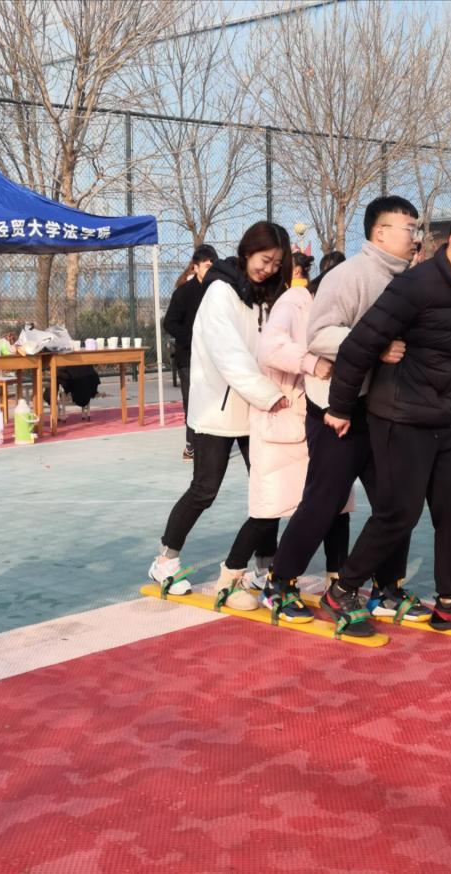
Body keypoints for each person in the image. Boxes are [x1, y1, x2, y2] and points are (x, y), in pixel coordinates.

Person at [322, 199, 451, 639]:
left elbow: (447, 346)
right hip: (401, 415)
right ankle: (343, 590)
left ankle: (449, 604)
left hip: (444, 414)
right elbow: (358, 345)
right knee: (399, 513)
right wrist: (339, 407)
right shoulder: (415, 285)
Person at [263, 196, 427, 634]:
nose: (415, 237)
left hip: (384, 409)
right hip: (339, 409)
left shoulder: (408, 280)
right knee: (325, 500)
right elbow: (320, 336)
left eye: (416, 229)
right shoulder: (350, 275)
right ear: (380, 232)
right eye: (409, 228)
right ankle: (280, 582)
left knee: (395, 503)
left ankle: (386, 589)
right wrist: (376, 345)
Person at [147, 223, 292, 596]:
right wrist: (268, 394)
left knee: (268, 489)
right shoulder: (220, 293)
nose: (269, 269)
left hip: (256, 408)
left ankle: (265, 565)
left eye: (276, 264)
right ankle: (165, 561)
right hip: (219, 408)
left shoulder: (267, 295)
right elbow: (229, 355)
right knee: (205, 489)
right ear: (247, 251)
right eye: (265, 260)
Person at [216, 260, 348, 620]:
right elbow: (271, 349)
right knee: (268, 510)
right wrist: (312, 363)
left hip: (320, 418)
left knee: (336, 505)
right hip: (282, 416)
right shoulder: (294, 303)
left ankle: (338, 581)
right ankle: (230, 579)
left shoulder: (335, 311)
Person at [162, 244, 218, 460]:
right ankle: (191, 444)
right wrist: (192, 338)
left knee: (213, 399)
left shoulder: (219, 291)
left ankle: (212, 443)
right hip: (188, 357)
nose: (210, 267)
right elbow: (169, 323)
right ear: (195, 267)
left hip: (214, 356)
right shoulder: (183, 292)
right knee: (192, 400)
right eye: (206, 264)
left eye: (213, 264)